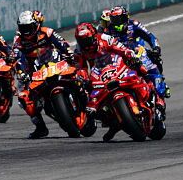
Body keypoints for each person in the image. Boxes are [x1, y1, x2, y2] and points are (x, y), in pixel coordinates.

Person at [73, 22, 153, 141]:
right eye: (81, 41)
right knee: (89, 104)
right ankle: (112, 122)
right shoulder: (79, 50)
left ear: (94, 36)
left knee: (142, 69)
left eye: (87, 40)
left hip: (118, 65)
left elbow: (122, 49)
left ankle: (152, 93)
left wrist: (130, 57)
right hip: (99, 74)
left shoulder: (105, 38)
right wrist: (82, 79)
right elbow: (80, 67)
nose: (85, 44)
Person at [12, 10, 74, 139]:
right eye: (23, 28)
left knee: (79, 75)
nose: (26, 31)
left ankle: (86, 101)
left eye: (29, 27)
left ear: (36, 25)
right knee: (24, 98)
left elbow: (62, 43)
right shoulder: (18, 40)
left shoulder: (47, 32)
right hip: (34, 71)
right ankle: (40, 127)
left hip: (55, 63)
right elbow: (17, 58)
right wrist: (21, 72)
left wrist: (68, 53)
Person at [100, 6, 169, 98]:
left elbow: (150, 36)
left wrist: (156, 47)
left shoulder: (134, 24)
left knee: (154, 59)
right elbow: (102, 47)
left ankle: (161, 82)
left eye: (119, 19)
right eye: (114, 20)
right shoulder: (108, 31)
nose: (116, 22)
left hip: (137, 53)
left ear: (125, 17)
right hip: (119, 58)